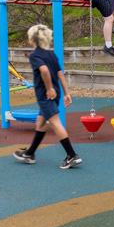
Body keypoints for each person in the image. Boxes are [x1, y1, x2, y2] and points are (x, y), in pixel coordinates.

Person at [12, 25, 82, 169]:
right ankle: (30, 153)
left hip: (47, 96)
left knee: (55, 123)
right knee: (40, 122)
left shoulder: (35, 55)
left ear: (33, 40)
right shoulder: (51, 55)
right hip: (55, 94)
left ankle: (72, 156)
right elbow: (60, 75)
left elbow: (44, 70)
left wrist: (49, 89)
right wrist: (66, 93)